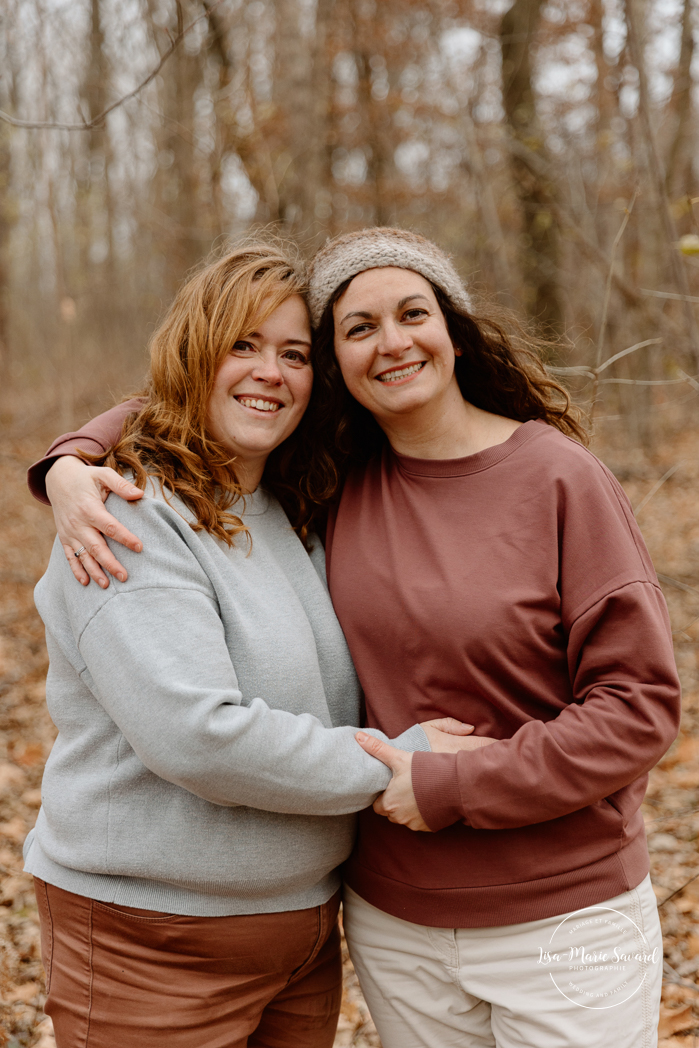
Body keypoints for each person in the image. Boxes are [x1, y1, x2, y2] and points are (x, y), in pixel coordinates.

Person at [30, 228, 680, 1048]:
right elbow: (194, 731)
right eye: (358, 327)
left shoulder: (524, 479)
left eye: (413, 312)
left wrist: (451, 784)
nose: (393, 342)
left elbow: (638, 707)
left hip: (541, 918)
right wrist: (69, 461)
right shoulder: (262, 493)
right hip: (330, 925)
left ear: (454, 327)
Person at [24, 240, 476, 1048]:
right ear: (197, 352)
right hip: (150, 942)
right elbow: (198, 736)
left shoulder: (297, 504)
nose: (270, 371)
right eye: (243, 344)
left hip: (301, 935)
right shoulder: (125, 512)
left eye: (294, 353)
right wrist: (399, 762)